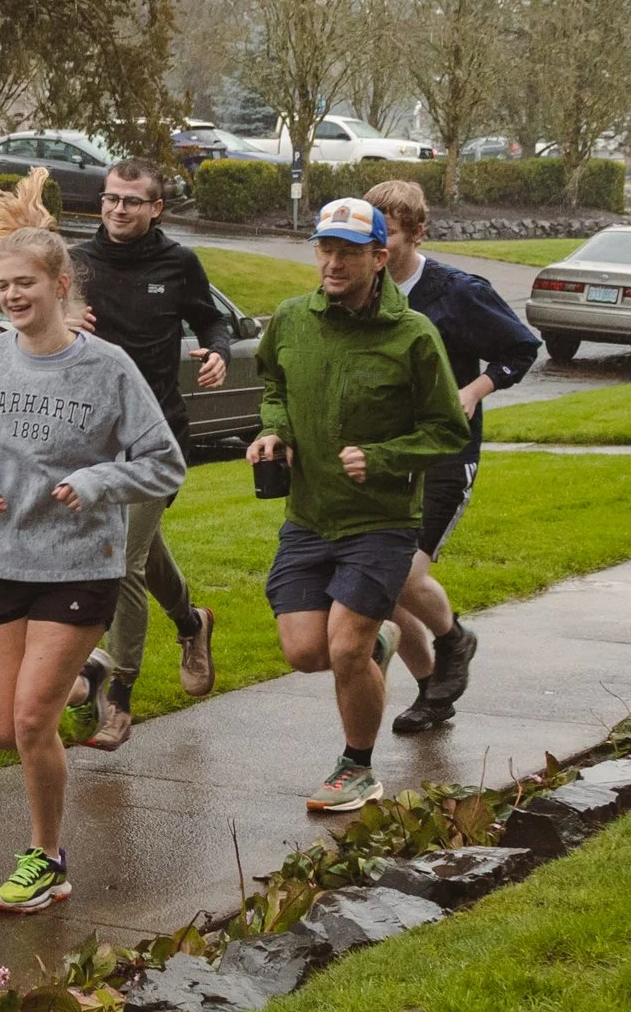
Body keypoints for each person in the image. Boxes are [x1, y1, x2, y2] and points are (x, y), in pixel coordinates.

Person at [0, 171, 186, 914]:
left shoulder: (106, 368)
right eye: (2, 285)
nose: (12, 297)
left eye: (25, 284)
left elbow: (163, 460)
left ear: (60, 283)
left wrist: (101, 480)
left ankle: (46, 857)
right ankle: (89, 676)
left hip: (79, 562)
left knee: (32, 721)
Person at [248, 197, 470, 812]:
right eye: (325, 248)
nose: (334, 262)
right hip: (309, 516)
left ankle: (356, 767)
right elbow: (275, 387)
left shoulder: (413, 335)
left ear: (380, 257)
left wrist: (384, 456)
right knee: (304, 652)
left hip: (382, 520)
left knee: (345, 647)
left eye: (349, 251)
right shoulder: (292, 320)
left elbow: (448, 431)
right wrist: (276, 432)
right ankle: (381, 639)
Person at [362, 180, 539, 734]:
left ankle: (455, 640)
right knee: (379, 586)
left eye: (387, 235)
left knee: (404, 574)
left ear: (417, 232)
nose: (377, 248)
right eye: (371, 236)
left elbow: (521, 346)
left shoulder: (458, 291)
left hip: (446, 452)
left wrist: (474, 390)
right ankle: (433, 691)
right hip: (386, 455)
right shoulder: (359, 289)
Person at [65, 160, 230, 749]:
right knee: (144, 548)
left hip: (156, 440)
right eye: (111, 199)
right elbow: (36, 327)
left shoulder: (178, 263)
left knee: (124, 561)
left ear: (156, 207)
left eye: (132, 201)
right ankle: (192, 623)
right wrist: (64, 319)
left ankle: (121, 698)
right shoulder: (76, 262)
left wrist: (216, 352)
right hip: (92, 440)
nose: (118, 210)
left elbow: (215, 322)